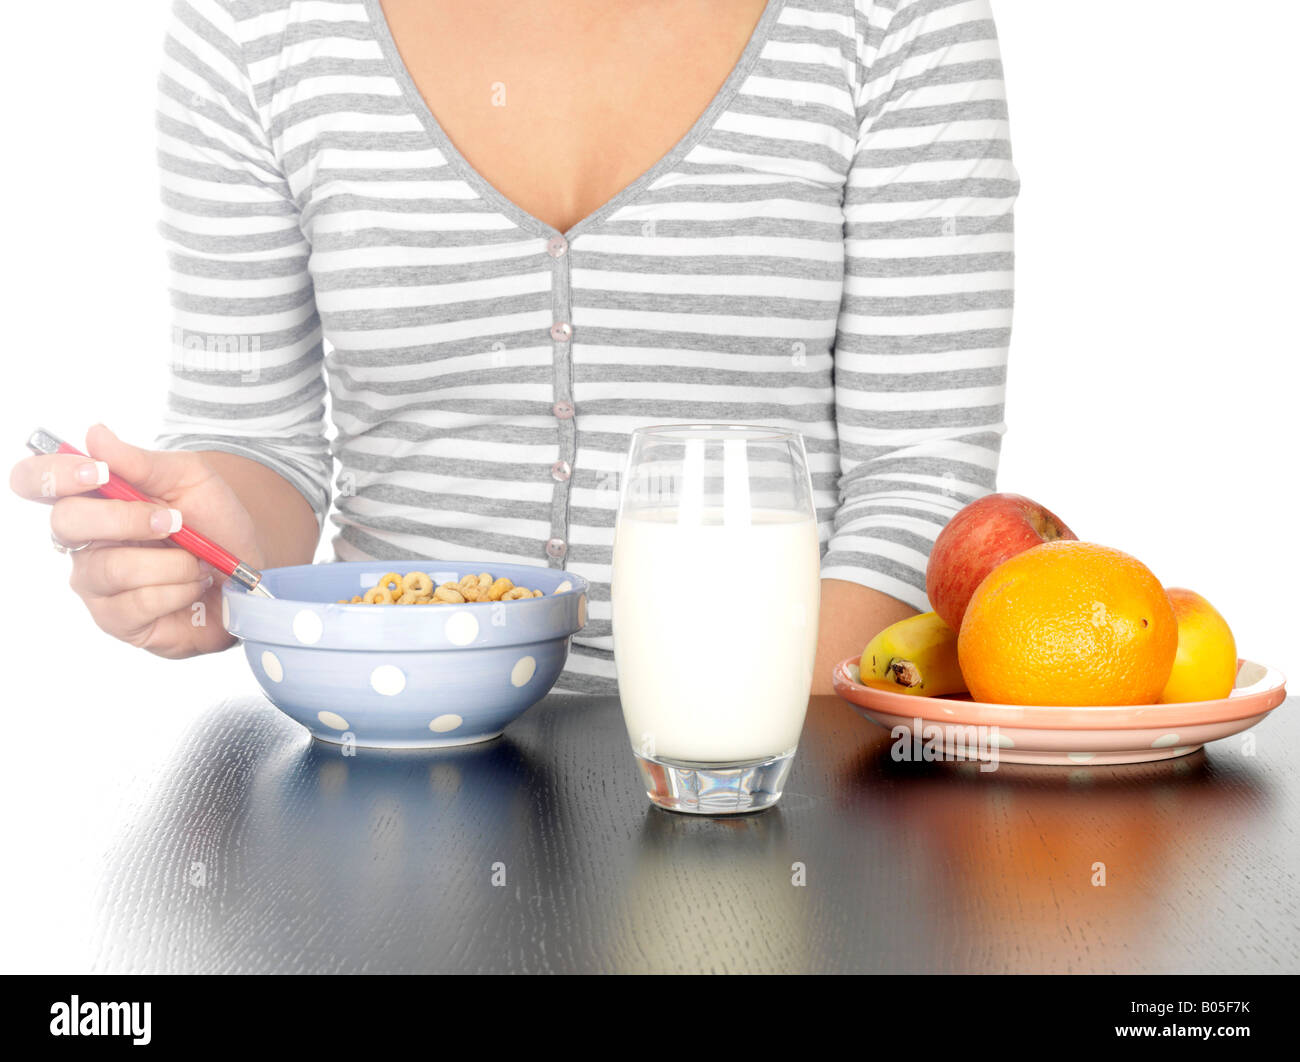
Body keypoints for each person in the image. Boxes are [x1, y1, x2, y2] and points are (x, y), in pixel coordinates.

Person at [9, 0, 1018, 695]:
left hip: (784, 783)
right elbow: (258, 438)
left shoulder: (892, 21)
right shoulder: (258, 25)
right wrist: (213, 555)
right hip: (387, 781)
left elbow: (918, 479)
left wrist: (723, 763)